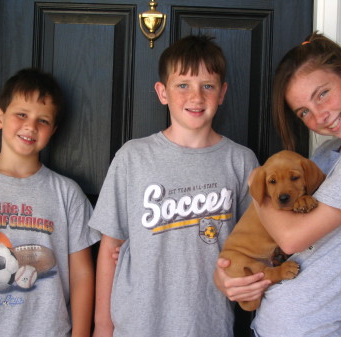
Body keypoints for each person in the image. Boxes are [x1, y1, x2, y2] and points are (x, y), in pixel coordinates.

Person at [89, 35, 269, 337]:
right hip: (138, 324)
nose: (196, 97)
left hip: (207, 324)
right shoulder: (133, 157)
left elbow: (257, 243)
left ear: (222, 93)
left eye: (207, 86)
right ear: (163, 92)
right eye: (182, 85)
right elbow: (111, 246)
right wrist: (102, 327)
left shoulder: (241, 161)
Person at [217, 31, 341, 336]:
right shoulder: (327, 153)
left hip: (319, 328)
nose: (319, 115)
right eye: (304, 112)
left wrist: (258, 182)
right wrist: (230, 281)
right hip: (275, 324)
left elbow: (291, 238)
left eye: (322, 93)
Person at [0, 68, 100, 337]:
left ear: (53, 130)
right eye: (21, 115)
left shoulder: (67, 193)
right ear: (0, 117)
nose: (31, 126)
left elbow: (82, 277)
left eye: (43, 121)